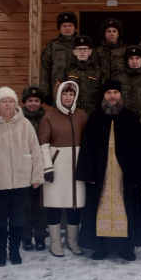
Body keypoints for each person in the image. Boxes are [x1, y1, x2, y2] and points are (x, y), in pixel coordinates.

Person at [76, 80, 141, 261]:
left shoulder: (131, 117)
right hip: (101, 174)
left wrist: (137, 175)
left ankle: (126, 247)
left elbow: (140, 147)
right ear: (103, 96)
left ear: (120, 95)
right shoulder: (95, 118)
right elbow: (87, 147)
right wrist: (89, 173)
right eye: (109, 93)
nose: (112, 96)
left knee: (125, 208)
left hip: (124, 175)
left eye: (116, 92)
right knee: (99, 208)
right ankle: (101, 247)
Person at [0, 87, 44, 267]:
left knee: (17, 217)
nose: (8, 105)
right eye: (4, 101)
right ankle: (0, 251)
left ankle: (14, 251)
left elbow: (35, 151)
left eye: (11, 101)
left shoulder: (25, 124)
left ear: (16, 104)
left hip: (22, 181)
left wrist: (37, 176)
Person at [39, 81, 89, 257]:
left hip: (77, 167)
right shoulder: (49, 116)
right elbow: (43, 144)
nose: (68, 97)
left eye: (71, 94)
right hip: (57, 166)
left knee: (74, 206)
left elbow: (89, 142)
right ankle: (54, 242)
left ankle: (72, 241)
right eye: (64, 94)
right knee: (55, 205)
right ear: (58, 95)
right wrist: (47, 167)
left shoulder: (82, 115)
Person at [21, 85, 48, 251]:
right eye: (30, 100)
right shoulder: (19, 117)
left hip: (42, 165)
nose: (33, 103)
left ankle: (39, 236)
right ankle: (26, 236)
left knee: (40, 204)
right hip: (23, 165)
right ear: (25, 102)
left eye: (36, 100)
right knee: (25, 204)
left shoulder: (46, 117)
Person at [40, 12, 78, 107]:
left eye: (70, 25)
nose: (67, 28)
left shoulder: (82, 44)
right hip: (57, 88)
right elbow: (45, 68)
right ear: (59, 28)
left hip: (78, 89)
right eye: (64, 26)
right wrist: (46, 92)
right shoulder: (53, 45)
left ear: (75, 27)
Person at [117, 45, 141, 120]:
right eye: (131, 58)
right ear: (127, 61)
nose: (134, 61)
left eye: (137, 58)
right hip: (124, 120)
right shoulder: (119, 78)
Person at [64, 35, 101, 114]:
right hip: (73, 113)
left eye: (85, 49)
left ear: (90, 51)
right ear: (74, 52)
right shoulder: (67, 70)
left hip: (92, 113)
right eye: (79, 49)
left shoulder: (98, 71)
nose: (82, 52)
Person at [96, 18, 127, 85]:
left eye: (114, 31)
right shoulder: (98, 50)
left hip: (121, 84)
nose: (112, 34)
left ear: (118, 34)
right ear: (104, 34)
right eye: (109, 31)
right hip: (102, 85)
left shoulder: (125, 50)